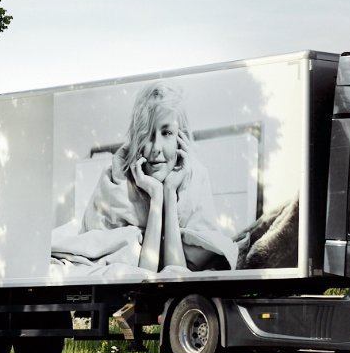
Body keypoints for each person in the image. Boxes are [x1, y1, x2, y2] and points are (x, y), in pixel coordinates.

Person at [52, 82, 238, 274]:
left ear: (180, 139)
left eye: (167, 133)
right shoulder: (114, 179)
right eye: (147, 134)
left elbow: (179, 276)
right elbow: (139, 278)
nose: (156, 147)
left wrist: (169, 193)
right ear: (136, 138)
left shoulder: (196, 177)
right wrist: (157, 198)